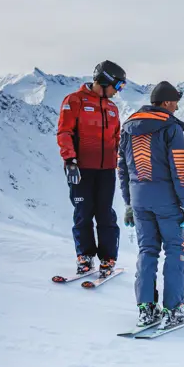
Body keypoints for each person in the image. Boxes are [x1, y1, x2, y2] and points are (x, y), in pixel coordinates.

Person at [118, 81, 184, 328]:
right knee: (175, 251)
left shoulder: (128, 128)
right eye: (175, 101)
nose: (177, 106)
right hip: (167, 202)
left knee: (147, 251)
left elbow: (122, 168)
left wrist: (129, 202)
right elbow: (180, 169)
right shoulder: (170, 128)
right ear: (165, 103)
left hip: (140, 201)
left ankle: (146, 308)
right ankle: (173, 309)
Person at [57, 60, 127, 277]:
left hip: (106, 170)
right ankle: (85, 256)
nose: (118, 91)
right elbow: (64, 132)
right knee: (83, 213)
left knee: (105, 214)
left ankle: (108, 258)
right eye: (118, 86)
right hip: (81, 169)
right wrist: (70, 160)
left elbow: (117, 138)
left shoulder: (112, 108)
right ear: (105, 80)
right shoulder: (74, 101)